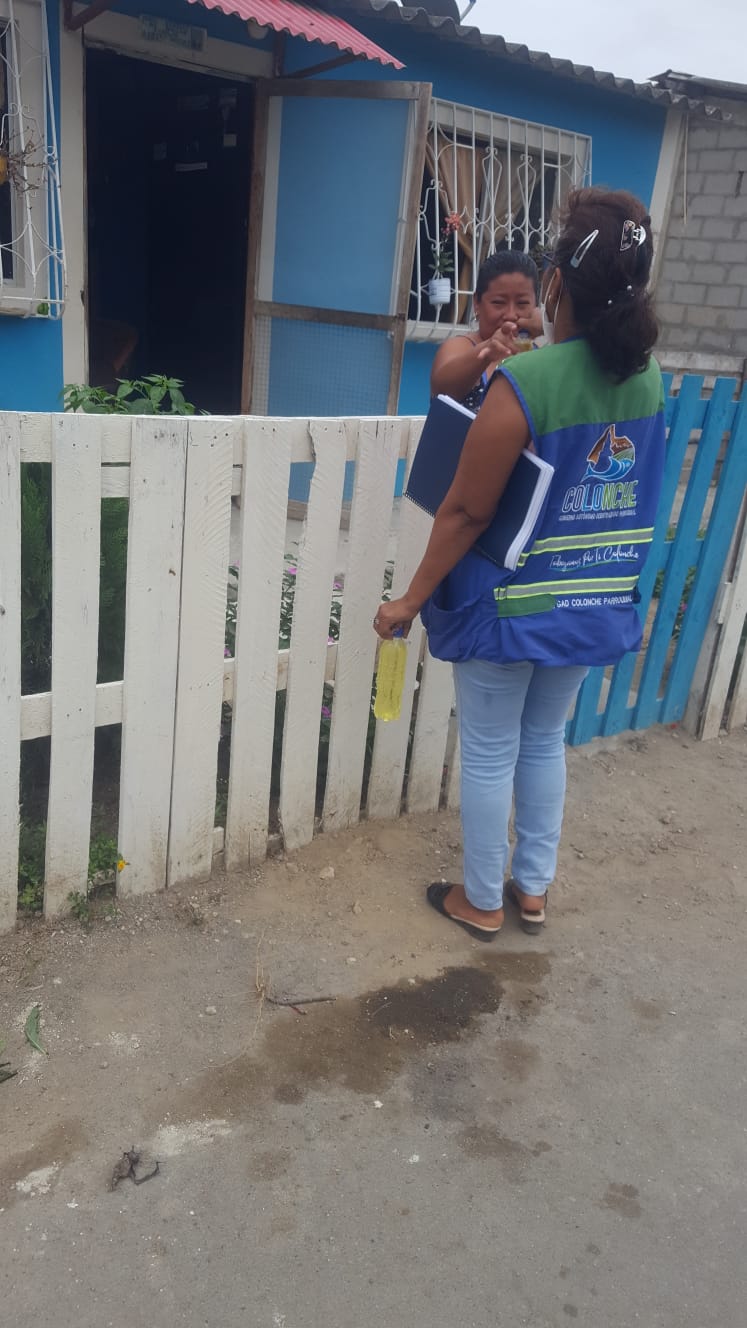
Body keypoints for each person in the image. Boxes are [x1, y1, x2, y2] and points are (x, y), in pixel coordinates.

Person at [374, 187, 665, 941]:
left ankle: (480, 901)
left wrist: (408, 600)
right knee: (543, 743)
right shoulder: (648, 378)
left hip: (508, 605)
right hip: (590, 601)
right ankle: (530, 890)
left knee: (490, 751)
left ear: (556, 284)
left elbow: (466, 512)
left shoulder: (526, 383)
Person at [430, 250, 543, 412]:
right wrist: (488, 350)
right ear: (477, 303)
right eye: (498, 302)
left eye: (522, 303)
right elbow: (441, 391)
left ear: (536, 305)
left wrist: (548, 330)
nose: (511, 315)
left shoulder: (539, 356)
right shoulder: (460, 347)